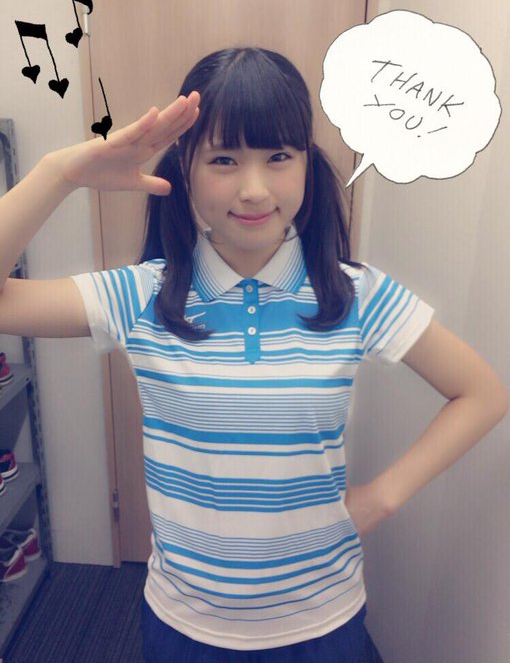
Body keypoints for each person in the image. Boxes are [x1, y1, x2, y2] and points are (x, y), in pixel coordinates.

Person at [0, 47, 507, 663]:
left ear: (307, 164)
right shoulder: (140, 295)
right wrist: (60, 172)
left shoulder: (355, 294)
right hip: (185, 624)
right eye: (223, 159)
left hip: (323, 620)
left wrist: (382, 497)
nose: (254, 189)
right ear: (185, 167)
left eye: (278, 157)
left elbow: (482, 393)